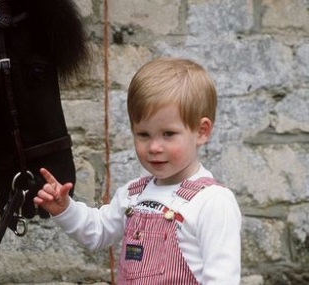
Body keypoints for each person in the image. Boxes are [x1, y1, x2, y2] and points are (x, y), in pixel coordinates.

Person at [33, 57, 242, 284]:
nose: (154, 147)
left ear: (201, 131)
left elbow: (222, 278)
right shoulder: (133, 194)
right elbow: (97, 232)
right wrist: (65, 209)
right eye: (143, 135)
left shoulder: (212, 202)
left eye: (168, 134)